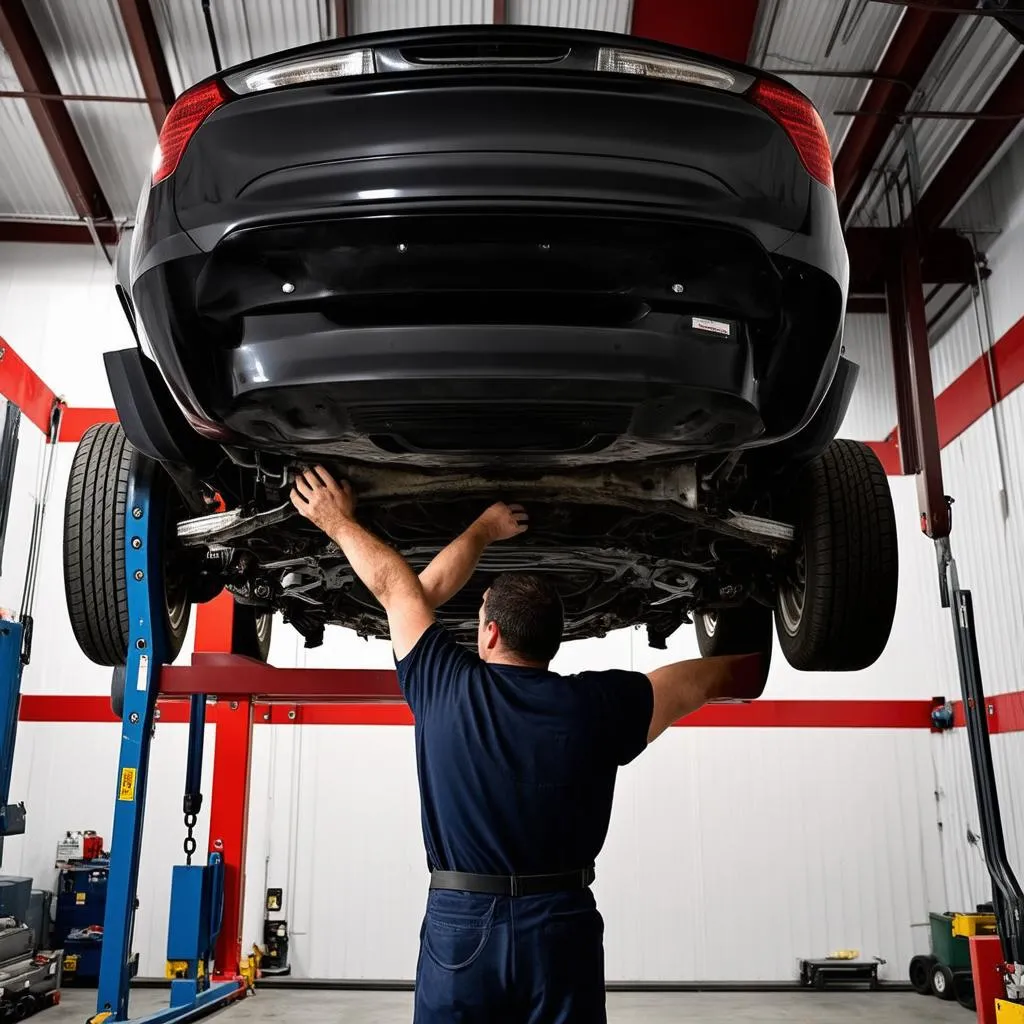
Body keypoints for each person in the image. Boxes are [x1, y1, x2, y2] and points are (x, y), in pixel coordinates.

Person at [290, 466, 766, 1024]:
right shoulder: (603, 704)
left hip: (462, 921)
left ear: (489, 632)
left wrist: (345, 520)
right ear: (553, 641)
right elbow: (717, 679)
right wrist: (770, 603)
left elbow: (397, 586)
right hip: (561, 923)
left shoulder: (445, 684)